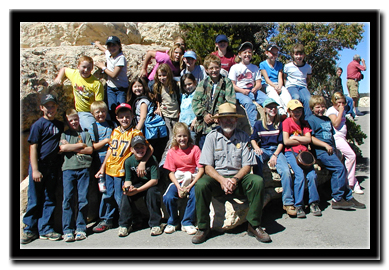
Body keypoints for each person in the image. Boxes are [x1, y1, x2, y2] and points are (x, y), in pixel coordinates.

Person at [192, 103, 271, 244]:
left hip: (238, 179)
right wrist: (222, 180)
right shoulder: (211, 137)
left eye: (231, 118)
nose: (228, 121)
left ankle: (253, 225)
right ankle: (203, 227)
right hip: (217, 180)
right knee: (201, 184)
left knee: (257, 181)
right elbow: (207, 166)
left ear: (236, 120)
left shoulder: (244, 137)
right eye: (225, 118)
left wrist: (234, 179)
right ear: (219, 120)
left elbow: (247, 165)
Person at [94, 103, 154, 232]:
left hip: (122, 170)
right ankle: (107, 219)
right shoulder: (115, 131)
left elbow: (150, 148)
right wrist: (102, 167)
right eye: (121, 117)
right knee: (107, 195)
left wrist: (143, 162)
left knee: (121, 197)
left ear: (132, 116)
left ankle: (128, 219)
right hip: (110, 168)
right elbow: (110, 150)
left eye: (127, 116)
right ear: (117, 118)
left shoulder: (135, 133)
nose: (125, 119)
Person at [307, 95, 366, 210]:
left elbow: (331, 136)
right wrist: (325, 145)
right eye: (317, 107)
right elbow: (311, 138)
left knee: (342, 168)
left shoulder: (327, 119)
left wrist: (335, 148)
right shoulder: (311, 120)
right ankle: (337, 198)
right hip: (321, 151)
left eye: (323, 106)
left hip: (331, 150)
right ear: (312, 108)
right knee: (339, 169)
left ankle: (348, 196)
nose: (320, 109)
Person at [21, 94, 64, 244]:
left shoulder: (59, 125)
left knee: (50, 198)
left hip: (53, 168)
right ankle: (29, 229)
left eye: (53, 106)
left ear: (57, 107)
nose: (50, 109)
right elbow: (33, 147)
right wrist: (35, 169)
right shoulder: (38, 125)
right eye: (47, 106)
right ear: (41, 108)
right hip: (40, 166)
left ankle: (46, 229)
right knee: (34, 199)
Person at [250, 98, 296, 217]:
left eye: (274, 107)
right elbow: (253, 139)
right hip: (264, 149)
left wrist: (275, 155)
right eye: (270, 107)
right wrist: (256, 148)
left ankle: (288, 202)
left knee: (285, 172)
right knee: (256, 159)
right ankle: (260, 194)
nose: (273, 109)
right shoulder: (259, 124)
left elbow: (281, 142)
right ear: (265, 109)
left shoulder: (280, 124)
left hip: (276, 150)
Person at [163, 123, 204, 235]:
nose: (182, 139)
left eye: (185, 136)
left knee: (195, 194)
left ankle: (187, 221)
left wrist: (191, 185)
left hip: (192, 178)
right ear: (175, 137)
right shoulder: (172, 151)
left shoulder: (195, 149)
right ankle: (173, 221)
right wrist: (178, 186)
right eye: (179, 136)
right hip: (179, 179)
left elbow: (201, 169)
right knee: (168, 197)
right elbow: (171, 172)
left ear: (188, 136)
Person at [59, 109, 94, 242]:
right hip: (68, 169)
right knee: (68, 198)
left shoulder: (85, 134)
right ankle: (67, 229)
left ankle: (81, 228)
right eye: (71, 120)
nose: (74, 122)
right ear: (67, 121)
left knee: (82, 198)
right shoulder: (65, 135)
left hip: (83, 169)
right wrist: (80, 145)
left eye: (75, 119)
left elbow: (90, 149)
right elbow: (63, 148)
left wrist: (71, 147)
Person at [118, 135, 163, 237]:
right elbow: (128, 180)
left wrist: (137, 190)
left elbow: (154, 180)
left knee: (152, 193)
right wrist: (128, 188)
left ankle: (155, 224)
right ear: (131, 150)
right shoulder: (129, 161)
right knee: (126, 194)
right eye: (136, 148)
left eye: (142, 147)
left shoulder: (152, 159)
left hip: (149, 183)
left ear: (146, 148)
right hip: (137, 184)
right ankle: (125, 225)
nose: (139, 150)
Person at [282, 100, 321, 218]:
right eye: (294, 111)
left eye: (299, 110)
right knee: (299, 175)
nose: (297, 113)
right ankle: (299, 204)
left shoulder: (305, 123)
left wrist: (296, 138)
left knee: (312, 175)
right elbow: (286, 141)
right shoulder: (287, 122)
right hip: (291, 153)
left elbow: (308, 139)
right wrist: (302, 138)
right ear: (289, 111)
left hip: (304, 154)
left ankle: (314, 202)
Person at [191, 54, 236, 149]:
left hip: (220, 124)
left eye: (216, 67)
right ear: (206, 70)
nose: (214, 70)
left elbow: (230, 102)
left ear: (220, 68)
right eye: (211, 68)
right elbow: (196, 101)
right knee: (205, 151)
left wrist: (219, 115)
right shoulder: (203, 84)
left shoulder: (226, 83)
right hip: (204, 126)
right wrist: (204, 115)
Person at [87, 101, 117, 233]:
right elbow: (92, 147)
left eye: (103, 111)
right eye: (97, 112)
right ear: (93, 114)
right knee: (105, 190)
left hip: (115, 160)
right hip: (101, 160)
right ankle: (105, 217)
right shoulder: (93, 127)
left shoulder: (111, 125)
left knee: (116, 188)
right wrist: (105, 141)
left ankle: (115, 215)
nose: (101, 114)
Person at [326, 92, 363, 194]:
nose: (341, 105)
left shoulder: (341, 109)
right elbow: (336, 124)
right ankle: (350, 183)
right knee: (351, 156)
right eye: (338, 103)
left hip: (342, 137)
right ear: (334, 102)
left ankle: (352, 182)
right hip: (336, 138)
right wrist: (341, 111)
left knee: (347, 159)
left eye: (343, 103)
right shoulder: (331, 111)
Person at [54, 55, 104, 131]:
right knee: (90, 130)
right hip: (83, 111)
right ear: (78, 66)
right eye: (83, 67)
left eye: (89, 68)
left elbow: (98, 103)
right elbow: (64, 69)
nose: (86, 70)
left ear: (92, 68)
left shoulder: (96, 83)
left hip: (94, 111)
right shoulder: (75, 74)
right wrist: (59, 78)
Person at [127, 76, 167, 162]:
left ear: (144, 87)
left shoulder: (143, 102)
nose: (137, 88)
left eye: (139, 86)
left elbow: (143, 118)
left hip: (146, 131)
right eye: (135, 86)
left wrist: (136, 131)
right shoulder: (139, 100)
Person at [228, 41, 268, 128]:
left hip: (253, 90)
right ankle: (255, 128)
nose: (247, 54)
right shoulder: (235, 67)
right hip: (239, 91)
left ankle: (269, 125)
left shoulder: (255, 68)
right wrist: (242, 91)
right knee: (249, 104)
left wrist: (256, 88)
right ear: (239, 55)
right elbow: (232, 85)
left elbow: (259, 83)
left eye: (249, 52)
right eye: (244, 52)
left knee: (268, 101)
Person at [94, 36, 129, 121]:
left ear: (119, 46)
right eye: (109, 46)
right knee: (111, 108)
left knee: (121, 109)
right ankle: (114, 128)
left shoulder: (120, 58)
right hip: (110, 87)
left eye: (114, 45)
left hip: (121, 88)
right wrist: (97, 44)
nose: (111, 48)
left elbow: (114, 75)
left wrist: (103, 67)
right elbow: (104, 50)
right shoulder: (109, 54)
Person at [153, 64, 181, 164]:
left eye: (164, 75)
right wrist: (158, 107)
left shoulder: (175, 85)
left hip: (175, 113)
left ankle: (175, 157)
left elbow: (179, 98)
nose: (162, 78)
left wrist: (180, 111)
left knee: (177, 135)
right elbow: (158, 99)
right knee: (170, 137)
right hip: (166, 114)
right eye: (160, 75)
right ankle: (166, 159)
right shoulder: (158, 86)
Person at [259, 44, 291, 116]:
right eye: (272, 53)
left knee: (285, 92)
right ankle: (280, 110)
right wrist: (274, 86)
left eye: (276, 53)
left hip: (277, 84)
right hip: (267, 84)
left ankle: (289, 110)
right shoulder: (263, 64)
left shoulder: (279, 64)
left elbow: (280, 77)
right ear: (267, 53)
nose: (274, 55)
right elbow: (266, 79)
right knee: (272, 91)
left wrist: (279, 86)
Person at [283, 44, 312, 119]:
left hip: (302, 86)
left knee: (308, 99)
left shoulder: (308, 67)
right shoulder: (288, 66)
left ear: (304, 55)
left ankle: (307, 121)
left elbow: (308, 78)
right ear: (293, 55)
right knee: (296, 97)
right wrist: (287, 85)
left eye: (301, 54)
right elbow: (285, 77)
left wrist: (305, 85)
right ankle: (294, 119)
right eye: (296, 54)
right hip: (291, 86)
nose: (299, 56)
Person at [179, 73, 198, 141]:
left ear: (195, 82)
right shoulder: (184, 95)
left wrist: (195, 120)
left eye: (189, 84)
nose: (187, 87)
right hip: (182, 125)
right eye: (185, 85)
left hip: (191, 126)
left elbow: (201, 109)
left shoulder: (197, 94)